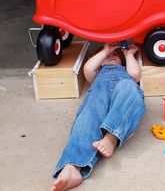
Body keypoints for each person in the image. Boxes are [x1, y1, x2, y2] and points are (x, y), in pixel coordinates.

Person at [51, 42, 146, 191]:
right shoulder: (96, 75)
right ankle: (72, 166)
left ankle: (110, 138)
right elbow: (88, 67)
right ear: (99, 62)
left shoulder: (126, 73)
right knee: (88, 117)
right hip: (99, 94)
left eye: (115, 55)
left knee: (129, 87)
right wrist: (106, 50)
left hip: (123, 97)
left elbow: (135, 74)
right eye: (107, 56)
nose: (111, 56)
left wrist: (128, 54)